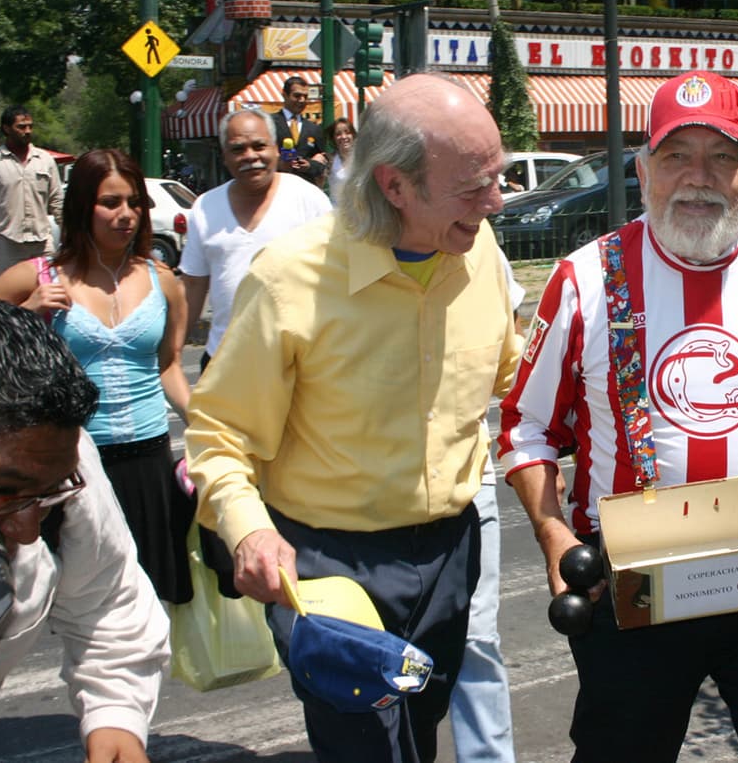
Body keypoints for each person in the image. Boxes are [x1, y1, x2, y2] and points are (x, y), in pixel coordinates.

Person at [497, 70, 738, 762]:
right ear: (644, 169)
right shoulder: (585, 278)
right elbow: (526, 428)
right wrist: (554, 534)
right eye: (677, 155)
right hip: (632, 586)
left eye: (721, 156)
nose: (698, 177)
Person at [185, 73, 523, 763]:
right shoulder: (288, 280)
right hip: (333, 564)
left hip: (450, 552)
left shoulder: (477, 246)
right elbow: (219, 437)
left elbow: (513, 376)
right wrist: (248, 531)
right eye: (472, 187)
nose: (495, 203)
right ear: (395, 186)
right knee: (364, 749)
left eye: (499, 177)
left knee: (419, 736)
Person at [0, 296, 169, 763]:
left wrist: (116, 719)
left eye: (47, 499)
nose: (28, 531)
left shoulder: (53, 463)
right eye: (3, 494)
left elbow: (109, 599)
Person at [0, 149, 194, 604]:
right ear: (83, 206)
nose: (126, 215)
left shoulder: (163, 280)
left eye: (135, 203)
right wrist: (28, 312)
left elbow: (169, 366)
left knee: (150, 607)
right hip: (74, 469)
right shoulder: (38, 276)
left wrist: (205, 423)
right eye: (111, 203)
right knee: (84, 607)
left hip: (149, 460)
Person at [179, 108, 333, 374]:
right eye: (238, 149)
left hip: (298, 365)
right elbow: (193, 286)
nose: (250, 156)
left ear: (275, 149)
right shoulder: (204, 207)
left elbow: (337, 280)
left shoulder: (309, 200)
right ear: (224, 156)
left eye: (259, 146)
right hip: (224, 365)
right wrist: (170, 353)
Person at [449, 255, 525, 763]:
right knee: (379, 658)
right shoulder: (325, 256)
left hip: (467, 481)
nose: (494, 201)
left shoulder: (480, 245)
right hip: (367, 500)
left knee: (475, 639)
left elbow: (512, 365)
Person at [0, 106, 64, 274]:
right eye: (21, 127)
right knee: (11, 296)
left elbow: (57, 199)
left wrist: (67, 230)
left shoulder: (45, 160)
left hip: (42, 242)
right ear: (6, 128)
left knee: (49, 292)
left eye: (30, 126)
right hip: (7, 242)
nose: (27, 131)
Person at [272, 75, 329, 185]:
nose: (302, 100)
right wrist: (279, 164)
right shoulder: (269, 123)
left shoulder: (314, 128)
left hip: (304, 187)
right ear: (284, 95)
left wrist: (309, 165)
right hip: (277, 186)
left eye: (305, 96)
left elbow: (324, 163)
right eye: (297, 96)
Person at [326, 117, 357, 193]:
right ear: (333, 138)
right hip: (337, 204)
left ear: (353, 135)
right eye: (338, 134)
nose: (343, 137)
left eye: (347, 132)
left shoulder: (363, 158)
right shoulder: (329, 160)